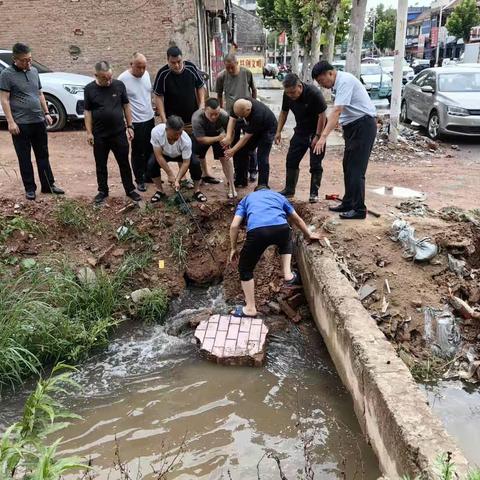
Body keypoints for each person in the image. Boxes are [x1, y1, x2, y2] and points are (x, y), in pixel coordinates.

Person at [229, 185, 320, 318]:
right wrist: (308, 234)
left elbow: (235, 225)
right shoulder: (279, 196)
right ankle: (288, 274)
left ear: (256, 191)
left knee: (245, 268)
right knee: (286, 238)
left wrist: (233, 248)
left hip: (257, 232)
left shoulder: (247, 199)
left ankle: (250, 308)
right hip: (281, 228)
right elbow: (297, 219)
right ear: (268, 190)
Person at [311, 61, 377, 220]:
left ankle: (359, 209)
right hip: (354, 127)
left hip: (363, 126)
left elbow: (337, 111)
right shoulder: (339, 84)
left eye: (322, 81)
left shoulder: (345, 81)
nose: (322, 85)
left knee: (356, 169)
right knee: (348, 166)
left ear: (330, 73)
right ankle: (348, 202)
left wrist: (323, 137)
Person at [0, 43, 64, 201]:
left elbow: (39, 93)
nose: (28, 63)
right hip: (20, 124)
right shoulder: (6, 74)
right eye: (24, 61)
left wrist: (47, 112)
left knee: (43, 155)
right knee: (24, 157)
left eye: (30, 59)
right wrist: (10, 122)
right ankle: (30, 188)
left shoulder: (34, 71)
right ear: (15, 59)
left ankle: (48, 185)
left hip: (38, 121)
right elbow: (4, 99)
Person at [153, 46, 219, 184]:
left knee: (197, 147)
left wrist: (201, 105)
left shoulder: (190, 68)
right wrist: (164, 118)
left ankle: (204, 174)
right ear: (168, 60)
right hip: (174, 120)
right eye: (173, 62)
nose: (177, 65)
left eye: (179, 61)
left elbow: (200, 86)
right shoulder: (163, 74)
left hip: (193, 118)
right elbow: (158, 96)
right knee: (179, 146)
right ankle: (182, 178)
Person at [84, 61, 142, 204]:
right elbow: (87, 111)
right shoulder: (89, 89)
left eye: (110, 77)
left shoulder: (119, 85)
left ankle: (130, 189)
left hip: (118, 133)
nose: (109, 81)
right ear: (96, 75)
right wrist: (89, 132)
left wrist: (130, 126)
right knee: (100, 164)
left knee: (124, 162)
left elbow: (126, 106)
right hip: (99, 135)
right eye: (105, 78)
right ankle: (102, 191)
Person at [276, 73, 327, 203]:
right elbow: (284, 112)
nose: (291, 96)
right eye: (288, 93)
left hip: (317, 129)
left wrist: (318, 136)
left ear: (299, 86)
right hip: (301, 130)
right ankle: (289, 190)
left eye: (293, 92)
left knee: (315, 162)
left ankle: (314, 193)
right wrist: (278, 131)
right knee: (291, 159)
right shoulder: (287, 95)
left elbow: (322, 115)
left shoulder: (313, 93)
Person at [215, 53, 258, 183]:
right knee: (234, 145)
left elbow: (254, 89)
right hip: (231, 116)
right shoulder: (222, 76)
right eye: (227, 68)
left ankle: (252, 170)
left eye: (232, 67)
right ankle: (238, 172)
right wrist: (221, 111)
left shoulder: (246, 73)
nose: (230, 70)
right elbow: (219, 95)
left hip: (247, 114)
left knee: (250, 143)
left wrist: (253, 105)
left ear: (236, 63)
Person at [147, 115, 206, 203]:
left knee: (195, 163)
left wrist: (177, 180)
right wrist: (170, 174)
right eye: (175, 134)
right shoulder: (156, 132)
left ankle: (196, 190)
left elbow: (186, 162)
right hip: (164, 153)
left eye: (180, 133)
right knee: (151, 163)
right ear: (167, 130)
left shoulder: (186, 140)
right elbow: (158, 156)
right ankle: (160, 191)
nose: (178, 136)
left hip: (180, 154)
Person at [118, 52, 155, 192]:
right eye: (139, 67)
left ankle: (149, 175)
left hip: (149, 117)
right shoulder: (123, 79)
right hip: (136, 121)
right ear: (131, 64)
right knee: (138, 151)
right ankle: (139, 179)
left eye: (144, 67)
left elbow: (147, 94)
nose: (142, 70)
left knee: (150, 149)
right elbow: (122, 104)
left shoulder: (146, 75)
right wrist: (128, 124)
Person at [222, 98, 277, 188]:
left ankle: (262, 185)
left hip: (267, 129)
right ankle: (241, 180)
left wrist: (232, 150)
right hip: (253, 127)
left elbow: (246, 137)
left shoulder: (257, 114)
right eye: (238, 115)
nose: (240, 118)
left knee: (262, 156)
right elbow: (232, 120)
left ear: (248, 110)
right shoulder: (238, 104)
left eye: (242, 116)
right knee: (241, 150)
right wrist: (228, 137)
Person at [192, 97, 236, 199]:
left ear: (220, 109)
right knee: (198, 156)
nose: (214, 117)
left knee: (225, 158)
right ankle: (205, 174)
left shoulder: (224, 116)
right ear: (204, 110)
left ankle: (231, 186)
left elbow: (231, 132)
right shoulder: (196, 118)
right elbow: (201, 139)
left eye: (216, 114)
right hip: (204, 137)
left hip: (220, 137)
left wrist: (228, 140)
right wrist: (219, 137)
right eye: (211, 114)